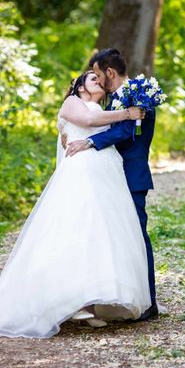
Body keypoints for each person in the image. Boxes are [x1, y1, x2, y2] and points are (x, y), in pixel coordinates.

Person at [0, 71, 151, 338]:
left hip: (105, 173)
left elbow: (108, 131)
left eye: (100, 80)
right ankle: (66, 299)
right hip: (82, 173)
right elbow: (88, 120)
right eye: (91, 80)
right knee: (73, 230)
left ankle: (88, 303)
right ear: (78, 88)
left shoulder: (105, 108)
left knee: (98, 235)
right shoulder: (72, 103)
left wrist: (133, 114)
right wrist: (128, 114)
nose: (98, 82)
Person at [65, 49, 159, 321]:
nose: (96, 79)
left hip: (131, 176)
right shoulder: (115, 102)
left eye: (98, 74)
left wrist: (90, 141)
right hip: (110, 178)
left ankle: (148, 302)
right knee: (116, 239)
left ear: (110, 72)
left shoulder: (141, 96)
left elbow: (125, 130)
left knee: (138, 237)